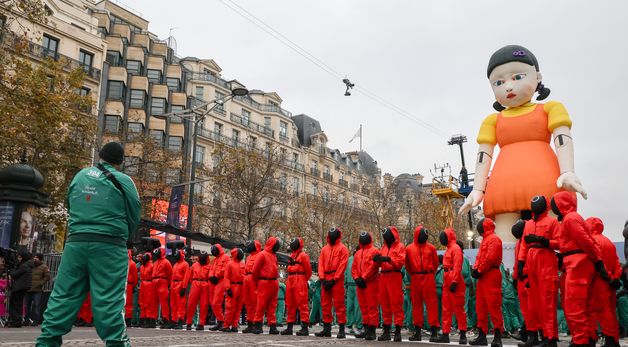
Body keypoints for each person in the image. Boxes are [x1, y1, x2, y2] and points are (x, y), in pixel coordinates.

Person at [460, 45, 587, 241]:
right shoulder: (492, 120)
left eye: (517, 77)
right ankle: (510, 270)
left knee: (553, 232)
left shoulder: (550, 108)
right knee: (506, 238)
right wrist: (478, 189)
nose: (508, 87)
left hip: (547, 182)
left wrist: (567, 171)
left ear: (537, 77)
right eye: (499, 82)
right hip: (504, 187)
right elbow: (483, 155)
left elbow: (562, 138)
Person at [37, 142, 141, 346]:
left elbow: (70, 204)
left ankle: (47, 341)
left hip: (75, 243)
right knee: (109, 300)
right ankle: (117, 343)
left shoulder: (79, 176)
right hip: (109, 246)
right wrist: (122, 235)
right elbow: (134, 214)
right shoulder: (124, 180)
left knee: (63, 295)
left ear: (100, 156)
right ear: (120, 162)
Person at [552, 191, 609, 347]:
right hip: (579, 262)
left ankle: (581, 341)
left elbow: (585, 240)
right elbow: (571, 242)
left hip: (578, 264)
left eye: (555, 203)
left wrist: (598, 261)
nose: (553, 206)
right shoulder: (571, 218)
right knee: (585, 305)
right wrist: (545, 242)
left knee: (574, 304)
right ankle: (589, 337)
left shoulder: (570, 219)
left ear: (561, 204)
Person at [518, 195, 560, 347]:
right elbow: (523, 244)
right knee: (534, 303)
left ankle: (551, 338)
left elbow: (560, 243)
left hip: (546, 260)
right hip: (531, 260)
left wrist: (543, 240)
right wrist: (521, 263)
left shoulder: (552, 222)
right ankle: (537, 336)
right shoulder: (528, 224)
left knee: (547, 301)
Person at [586, 217, 622, 347]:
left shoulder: (592, 242)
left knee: (593, 312)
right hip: (610, 284)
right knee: (610, 312)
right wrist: (615, 278)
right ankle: (613, 340)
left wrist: (607, 277)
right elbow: (617, 263)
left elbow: (597, 262)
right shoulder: (609, 242)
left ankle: (593, 339)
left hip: (597, 282)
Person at [470, 218, 503, 347]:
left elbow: (490, 258)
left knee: (493, 306)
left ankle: (498, 336)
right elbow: (480, 257)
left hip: (491, 274)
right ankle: (482, 335)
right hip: (484, 275)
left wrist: (478, 269)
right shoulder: (486, 239)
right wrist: (476, 269)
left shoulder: (494, 239)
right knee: (481, 307)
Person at [405, 226, 440, 342]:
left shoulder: (431, 248)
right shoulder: (409, 249)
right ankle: (418, 332)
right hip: (416, 277)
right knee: (416, 306)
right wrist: (416, 274)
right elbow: (407, 265)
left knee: (432, 305)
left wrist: (427, 273)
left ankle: (434, 331)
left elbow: (435, 264)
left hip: (428, 277)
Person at [511, 217, 540, 347]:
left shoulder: (526, 242)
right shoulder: (519, 243)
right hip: (522, 279)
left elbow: (528, 261)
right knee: (527, 309)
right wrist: (515, 277)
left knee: (531, 309)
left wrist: (523, 275)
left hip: (527, 278)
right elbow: (517, 263)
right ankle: (527, 334)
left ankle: (532, 336)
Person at [373, 226, 406, 342]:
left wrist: (388, 259)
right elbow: (380, 263)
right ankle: (386, 331)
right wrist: (377, 259)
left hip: (394, 275)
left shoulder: (400, 246)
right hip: (383, 276)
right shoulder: (383, 247)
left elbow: (400, 263)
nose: (385, 237)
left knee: (396, 303)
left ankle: (397, 331)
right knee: (385, 304)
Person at [316, 227, 349, 338]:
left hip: (337, 280)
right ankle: (326, 329)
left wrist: (335, 278)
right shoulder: (324, 249)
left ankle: (341, 329)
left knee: (339, 304)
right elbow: (320, 263)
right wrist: (322, 278)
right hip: (325, 277)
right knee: (325, 304)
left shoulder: (343, 249)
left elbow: (342, 265)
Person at [437, 227, 467, 344]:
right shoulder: (449, 249)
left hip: (454, 281)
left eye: (443, 236)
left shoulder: (455, 249)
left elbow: (457, 266)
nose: (442, 239)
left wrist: (454, 281)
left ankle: (463, 334)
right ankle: (445, 334)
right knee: (446, 309)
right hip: (447, 280)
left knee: (458, 309)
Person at [352, 231, 380, 341]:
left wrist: (363, 277)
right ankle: (366, 328)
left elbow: (373, 267)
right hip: (360, 283)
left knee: (372, 307)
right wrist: (356, 278)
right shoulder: (358, 253)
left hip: (371, 283)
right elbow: (354, 267)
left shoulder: (375, 251)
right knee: (363, 307)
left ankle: (372, 331)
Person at [251, 236, 282, 335]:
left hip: (273, 282)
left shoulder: (273, 255)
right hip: (264, 282)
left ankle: (272, 326)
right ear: (272, 245)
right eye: (277, 244)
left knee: (272, 306)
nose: (278, 247)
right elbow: (255, 271)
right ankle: (258, 325)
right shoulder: (262, 254)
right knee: (261, 304)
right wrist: (258, 282)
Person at [282, 237, 312, 336]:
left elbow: (308, 271)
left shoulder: (303, 255)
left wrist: (303, 280)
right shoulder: (292, 255)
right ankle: (289, 327)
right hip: (291, 279)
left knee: (302, 304)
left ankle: (304, 327)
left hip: (299, 278)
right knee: (290, 304)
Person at [185, 252, 210, 330]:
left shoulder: (209, 267)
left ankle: (201, 323)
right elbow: (189, 277)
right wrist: (185, 286)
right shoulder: (194, 265)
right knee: (191, 304)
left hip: (204, 284)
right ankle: (189, 322)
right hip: (195, 283)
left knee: (204, 305)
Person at [222, 248, 245, 333]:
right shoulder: (229, 264)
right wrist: (228, 288)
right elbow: (226, 277)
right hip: (233, 286)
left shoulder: (243, 264)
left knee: (238, 308)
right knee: (230, 307)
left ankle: (235, 325)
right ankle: (226, 325)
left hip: (241, 287)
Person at [8, 250, 32, 327]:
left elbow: (14, 274)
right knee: (18, 305)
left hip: (19, 288)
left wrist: (10, 270)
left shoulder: (24, 266)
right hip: (21, 288)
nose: (18, 258)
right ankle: (17, 321)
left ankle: (16, 322)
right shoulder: (27, 265)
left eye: (19, 257)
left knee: (15, 305)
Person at [242, 240, 262, 333]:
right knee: (248, 302)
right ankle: (250, 323)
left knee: (256, 303)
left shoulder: (260, 255)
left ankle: (257, 323)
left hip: (254, 279)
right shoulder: (249, 256)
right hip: (247, 279)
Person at [25, 253, 50, 326]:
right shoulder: (30, 265)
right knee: (27, 306)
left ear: (40, 258)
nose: (35, 258)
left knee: (36, 305)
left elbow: (47, 277)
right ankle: (26, 321)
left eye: (37, 257)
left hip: (37, 290)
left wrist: (41, 283)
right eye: (34, 257)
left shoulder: (44, 267)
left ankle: (35, 321)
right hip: (28, 289)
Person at [152, 247, 173, 329]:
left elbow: (170, 275)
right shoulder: (156, 262)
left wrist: (169, 285)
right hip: (155, 282)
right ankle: (154, 319)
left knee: (164, 303)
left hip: (162, 282)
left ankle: (166, 320)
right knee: (154, 303)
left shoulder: (166, 262)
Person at [344, 253, 363, 336]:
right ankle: (359, 326)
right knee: (357, 307)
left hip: (349, 284)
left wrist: (345, 284)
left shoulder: (349, 259)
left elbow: (345, 273)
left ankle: (349, 326)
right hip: (357, 284)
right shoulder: (360, 257)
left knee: (350, 307)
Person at [170, 249, 189, 329]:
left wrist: (184, 287)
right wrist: (171, 286)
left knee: (181, 304)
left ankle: (180, 321)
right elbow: (172, 277)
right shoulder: (175, 265)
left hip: (180, 284)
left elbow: (186, 277)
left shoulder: (185, 264)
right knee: (173, 304)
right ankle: (174, 320)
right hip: (174, 284)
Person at [139, 252, 156, 328]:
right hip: (143, 283)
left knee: (149, 302)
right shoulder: (142, 266)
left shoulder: (151, 266)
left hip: (149, 284)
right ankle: (143, 318)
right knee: (142, 302)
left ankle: (150, 320)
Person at [125, 250, 138, 327]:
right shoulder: (124, 263)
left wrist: (133, 286)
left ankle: (128, 319)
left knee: (128, 303)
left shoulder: (132, 264)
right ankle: (125, 318)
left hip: (129, 284)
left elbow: (135, 277)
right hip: (124, 285)